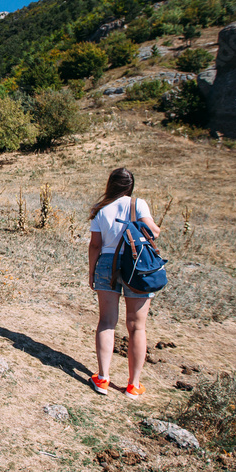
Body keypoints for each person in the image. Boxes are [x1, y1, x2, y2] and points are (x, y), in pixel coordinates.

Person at [87, 167, 161, 399]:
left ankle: (103, 378)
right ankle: (133, 385)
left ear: (110, 184)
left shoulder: (100, 209)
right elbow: (154, 232)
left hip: (106, 263)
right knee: (136, 326)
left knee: (107, 322)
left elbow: (95, 245)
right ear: (130, 186)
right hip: (135, 264)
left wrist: (92, 272)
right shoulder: (138, 204)